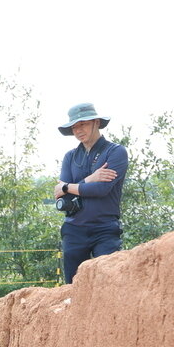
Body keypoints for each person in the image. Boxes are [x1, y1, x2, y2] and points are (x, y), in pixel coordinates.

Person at [53, 102, 128, 283]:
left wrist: (66, 186)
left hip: (105, 228)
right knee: (73, 285)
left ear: (96, 122)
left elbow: (101, 189)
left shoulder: (115, 152)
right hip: (74, 228)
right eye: (74, 126)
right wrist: (89, 179)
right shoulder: (70, 157)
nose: (78, 130)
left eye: (83, 124)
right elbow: (62, 196)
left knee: (110, 281)